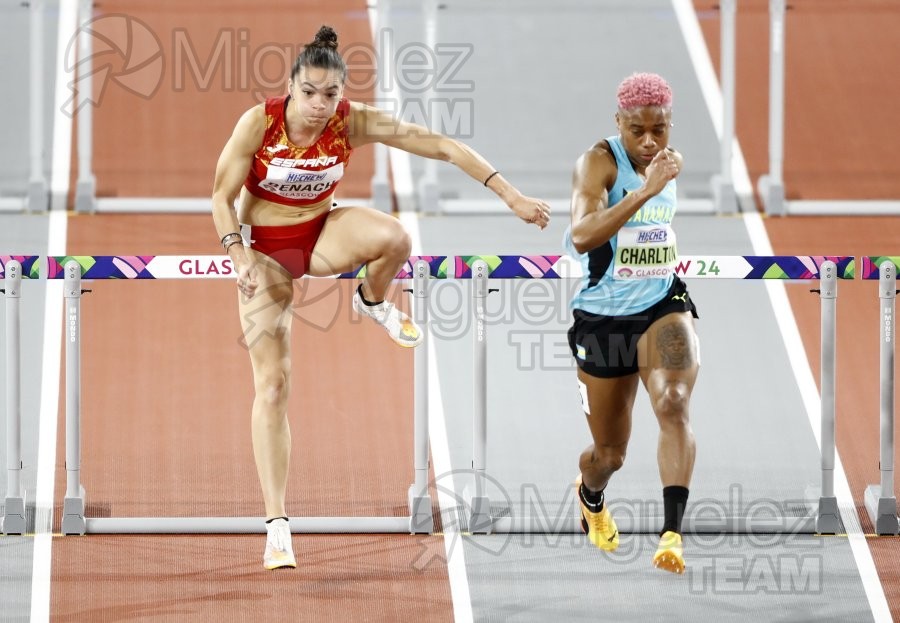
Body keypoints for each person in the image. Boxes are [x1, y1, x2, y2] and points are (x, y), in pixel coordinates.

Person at [211, 25, 551, 570]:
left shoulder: (352, 122)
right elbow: (221, 197)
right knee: (273, 385)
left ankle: (371, 301)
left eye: (331, 95)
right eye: (310, 93)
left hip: (322, 232)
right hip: (266, 252)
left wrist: (510, 196)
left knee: (395, 238)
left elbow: (439, 144)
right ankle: (277, 524)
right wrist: (239, 258)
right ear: (291, 88)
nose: (320, 106)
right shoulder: (260, 123)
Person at [564, 72, 699, 574]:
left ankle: (672, 535)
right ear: (617, 122)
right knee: (608, 455)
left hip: (662, 303)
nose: (649, 143)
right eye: (637, 131)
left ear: (669, 125)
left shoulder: (669, 160)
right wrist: (644, 191)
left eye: (659, 130)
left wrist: (660, 174)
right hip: (602, 319)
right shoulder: (596, 163)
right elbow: (581, 235)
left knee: (673, 400)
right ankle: (590, 496)